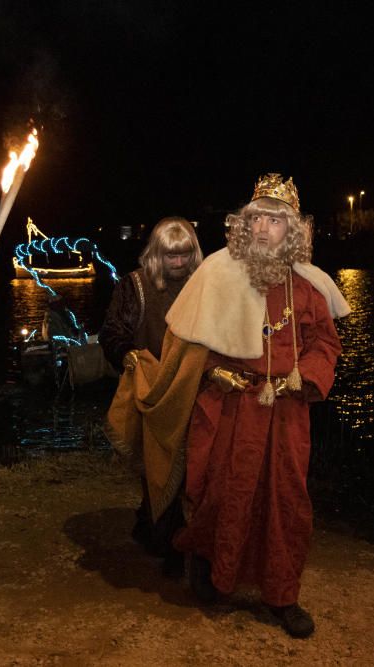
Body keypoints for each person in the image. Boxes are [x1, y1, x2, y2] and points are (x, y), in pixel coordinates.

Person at [109, 173, 348, 638]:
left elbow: (325, 344)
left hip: (286, 410)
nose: (262, 229)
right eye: (256, 219)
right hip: (231, 405)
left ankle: (283, 595)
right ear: (244, 226)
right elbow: (187, 345)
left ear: (292, 232)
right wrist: (211, 371)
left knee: (286, 500)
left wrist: (309, 375)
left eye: (275, 222)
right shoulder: (215, 273)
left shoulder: (310, 287)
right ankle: (216, 575)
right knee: (221, 491)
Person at [99, 217, 202, 576]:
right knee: (156, 469)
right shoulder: (135, 286)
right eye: (171, 256)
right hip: (153, 390)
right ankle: (164, 537)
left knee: (189, 471)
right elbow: (112, 331)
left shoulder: (203, 286)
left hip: (192, 390)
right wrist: (127, 354)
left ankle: (174, 536)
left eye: (185, 254)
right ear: (158, 254)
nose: (179, 263)